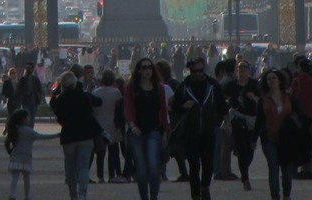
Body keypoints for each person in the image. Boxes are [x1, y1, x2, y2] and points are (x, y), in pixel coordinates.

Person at [171, 56, 228, 200]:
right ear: (190, 70)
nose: (197, 73)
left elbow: (222, 105)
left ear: (204, 69)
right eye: (194, 71)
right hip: (191, 132)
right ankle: (196, 195)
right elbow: (174, 107)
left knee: (208, 164)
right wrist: (183, 105)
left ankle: (205, 186)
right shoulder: (183, 86)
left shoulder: (212, 85)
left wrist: (227, 122)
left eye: (200, 70)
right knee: (194, 166)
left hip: (209, 130)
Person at [254, 69, 305, 200]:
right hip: (269, 139)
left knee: (287, 171)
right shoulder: (263, 101)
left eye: (273, 78)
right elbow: (259, 121)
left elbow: (301, 116)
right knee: (273, 169)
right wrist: (253, 140)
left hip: (287, 140)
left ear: (280, 80)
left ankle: (286, 196)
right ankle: (275, 197)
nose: (271, 81)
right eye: (269, 79)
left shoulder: (289, 98)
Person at [50, 70, 101, 200]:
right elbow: (91, 112)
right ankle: (82, 193)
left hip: (68, 136)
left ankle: (73, 195)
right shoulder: (84, 96)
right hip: (85, 135)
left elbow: (59, 117)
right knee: (83, 167)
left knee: (71, 168)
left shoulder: (60, 99)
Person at [124, 57, 169, 200]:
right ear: (138, 70)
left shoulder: (159, 88)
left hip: (154, 130)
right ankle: (144, 197)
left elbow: (163, 110)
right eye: (144, 68)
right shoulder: (132, 88)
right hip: (137, 132)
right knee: (142, 170)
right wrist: (132, 125)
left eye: (150, 67)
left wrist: (165, 132)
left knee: (154, 166)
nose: (147, 70)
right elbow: (128, 109)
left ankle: (153, 196)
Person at [4, 108, 58, 200]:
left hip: (16, 155)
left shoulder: (15, 130)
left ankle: (12, 194)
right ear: (23, 119)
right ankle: (27, 196)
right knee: (26, 178)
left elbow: (6, 143)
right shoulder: (28, 131)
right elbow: (41, 136)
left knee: (15, 177)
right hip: (26, 156)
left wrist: (10, 152)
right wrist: (57, 135)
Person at [223, 59, 261, 191]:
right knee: (242, 147)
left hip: (251, 119)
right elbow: (223, 100)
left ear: (248, 69)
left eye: (245, 67)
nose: (242, 69)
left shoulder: (255, 85)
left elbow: (262, 102)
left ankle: (244, 169)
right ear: (236, 70)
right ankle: (245, 178)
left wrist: (254, 98)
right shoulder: (232, 85)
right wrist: (227, 120)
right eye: (240, 67)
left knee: (249, 150)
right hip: (237, 118)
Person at [288, 57, 312, 179]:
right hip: (311, 115)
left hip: (299, 116)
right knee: (310, 143)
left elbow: (291, 97)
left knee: (297, 143)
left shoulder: (297, 81)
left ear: (300, 68)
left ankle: (296, 169)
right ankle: (309, 169)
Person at [92, 69, 124, 184]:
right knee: (113, 151)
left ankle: (100, 176)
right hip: (112, 123)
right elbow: (119, 108)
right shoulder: (116, 92)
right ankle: (112, 175)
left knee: (100, 152)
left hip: (99, 123)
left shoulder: (95, 92)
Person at [17, 61, 44, 126]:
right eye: (27, 68)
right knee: (26, 117)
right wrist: (24, 94)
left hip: (34, 101)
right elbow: (18, 90)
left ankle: (31, 130)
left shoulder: (35, 79)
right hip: (25, 101)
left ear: (32, 69)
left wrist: (39, 97)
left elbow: (40, 89)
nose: (28, 69)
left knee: (32, 117)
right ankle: (27, 130)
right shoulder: (22, 79)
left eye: (30, 68)